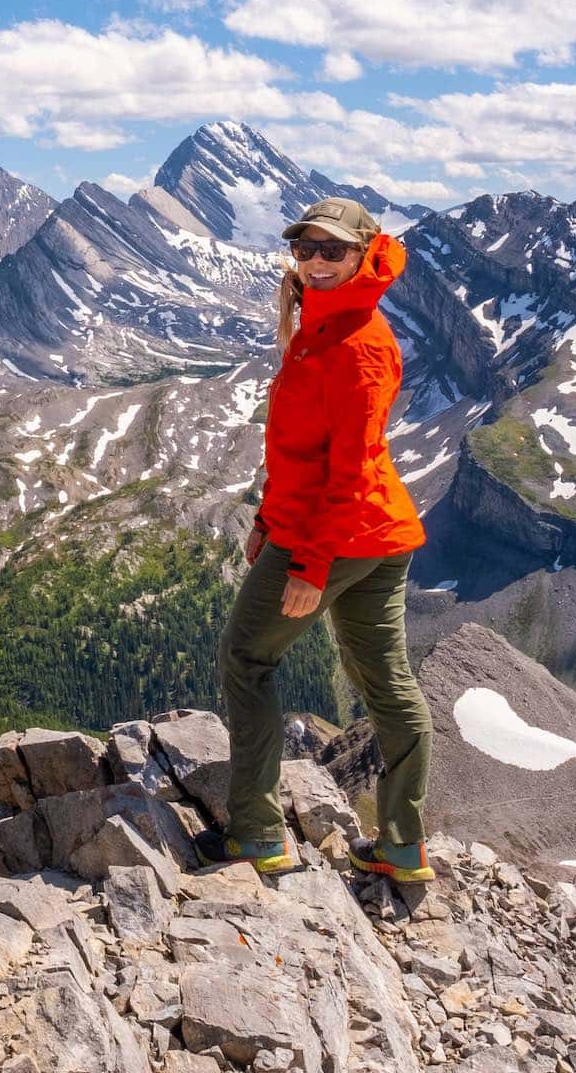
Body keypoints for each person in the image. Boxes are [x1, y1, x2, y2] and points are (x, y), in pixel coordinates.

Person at [207, 196, 435, 882]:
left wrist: (309, 563)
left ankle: (256, 831)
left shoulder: (360, 345)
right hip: (376, 535)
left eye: (331, 250)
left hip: (339, 534)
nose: (314, 260)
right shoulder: (323, 325)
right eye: (304, 249)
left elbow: (349, 470)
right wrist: (267, 520)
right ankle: (401, 847)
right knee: (387, 684)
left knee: (246, 658)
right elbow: (301, 452)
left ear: (364, 253)